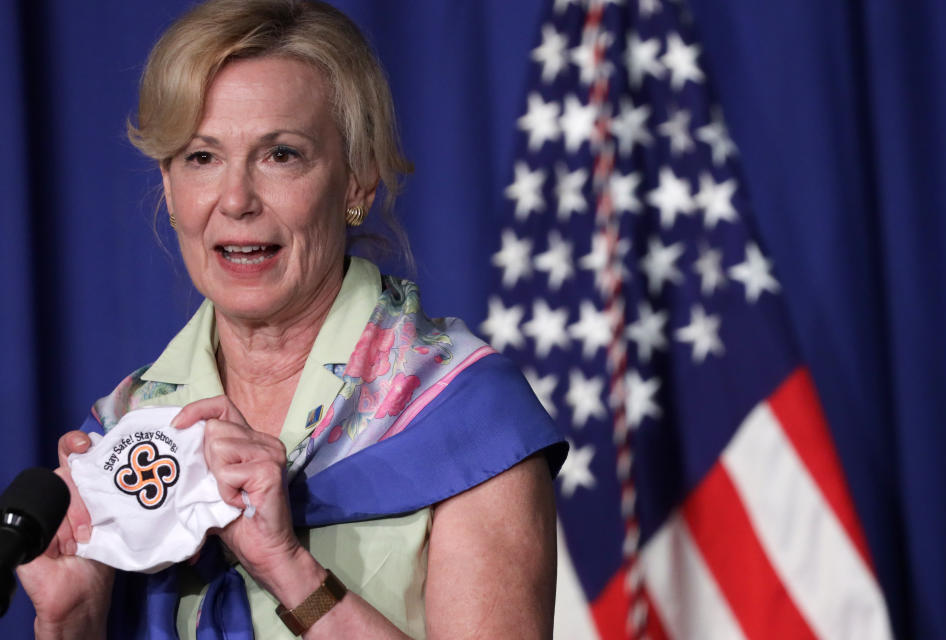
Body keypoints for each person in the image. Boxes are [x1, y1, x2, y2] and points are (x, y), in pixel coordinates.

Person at [15, 1, 566, 638]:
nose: (237, 200)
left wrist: (287, 569)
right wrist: (70, 620)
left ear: (358, 181)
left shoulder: (465, 416)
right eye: (201, 158)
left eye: (281, 154)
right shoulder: (123, 434)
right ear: (168, 187)